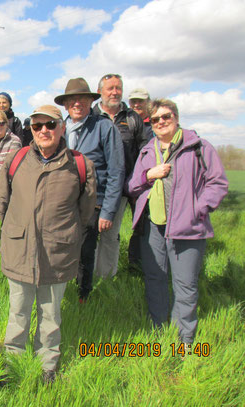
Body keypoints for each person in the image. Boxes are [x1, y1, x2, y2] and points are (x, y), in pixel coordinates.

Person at [0, 105, 96, 384]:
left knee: (50, 313)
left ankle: (47, 363)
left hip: (57, 252)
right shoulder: (16, 159)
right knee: (18, 310)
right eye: (37, 125)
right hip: (19, 249)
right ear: (30, 129)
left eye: (50, 125)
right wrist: (18, 229)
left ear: (62, 128)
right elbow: (2, 201)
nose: (44, 131)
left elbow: (86, 211)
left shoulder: (79, 164)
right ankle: (12, 360)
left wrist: (61, 233)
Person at [126, 99, 228, 349]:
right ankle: (159, 332)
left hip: (188, 228)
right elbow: (131, 186)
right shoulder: (148, 150)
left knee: (185, 284)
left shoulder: (198, 147)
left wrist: (198, 209)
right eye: (155, 119)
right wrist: (148, 175)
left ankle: (184, 341)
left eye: (166, 117)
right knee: (154, 279)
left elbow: (218, 183)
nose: (161, 122)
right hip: (153, 226)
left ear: (176, 117)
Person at [55, 78, 125, 302]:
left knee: (85, 251)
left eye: (82, 99)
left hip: (93, 202)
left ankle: (83, 295)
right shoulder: (58, 129)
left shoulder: (104, 127)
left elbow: (116, 170)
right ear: (65, 105)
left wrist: (107, 210)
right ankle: (60, 290)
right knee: (62, 247)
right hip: (63, 203)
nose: (77, 103)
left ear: (90, 102)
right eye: (72, 100)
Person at [92, 74, 152, 278]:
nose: (115, 92)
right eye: (110, 88)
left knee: (110, 234)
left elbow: (145, 150)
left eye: (118, 88)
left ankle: (106, 277)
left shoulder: (131, 118)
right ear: (100, 91)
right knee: (89, 234)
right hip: (92, 188)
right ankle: (85, 277)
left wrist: (137, 181)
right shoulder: (91, 115)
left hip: (121, 188)